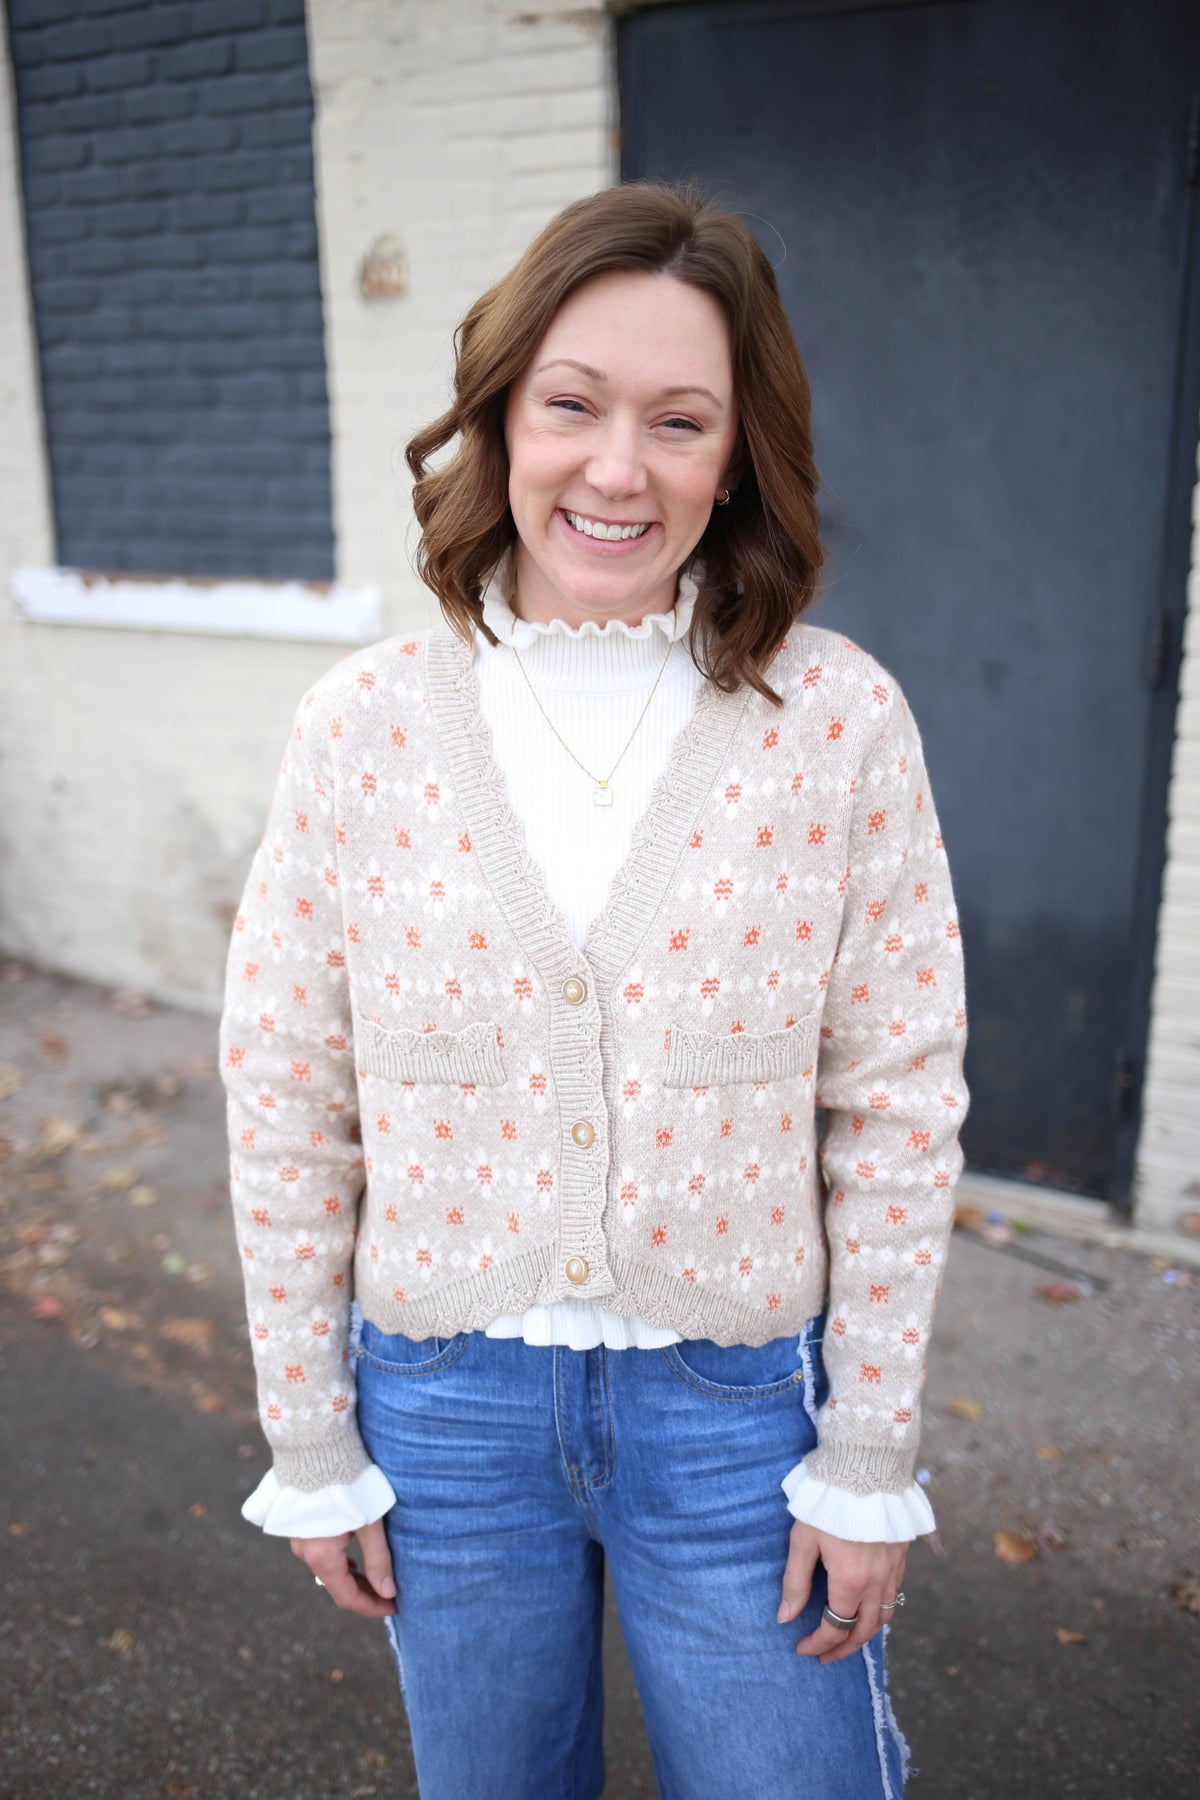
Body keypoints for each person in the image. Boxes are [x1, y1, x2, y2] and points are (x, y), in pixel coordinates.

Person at [219, 181, 969, 1799]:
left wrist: (865, 1455)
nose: (618, 470)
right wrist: (312, 1431)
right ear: (501, 415)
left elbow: (897, 1102)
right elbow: (288, 1085)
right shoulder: (361, 724)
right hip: (442, 1412)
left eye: (680, 422)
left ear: (737, 452)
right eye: (572, 405)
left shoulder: (837, 721)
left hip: (738, 1420)